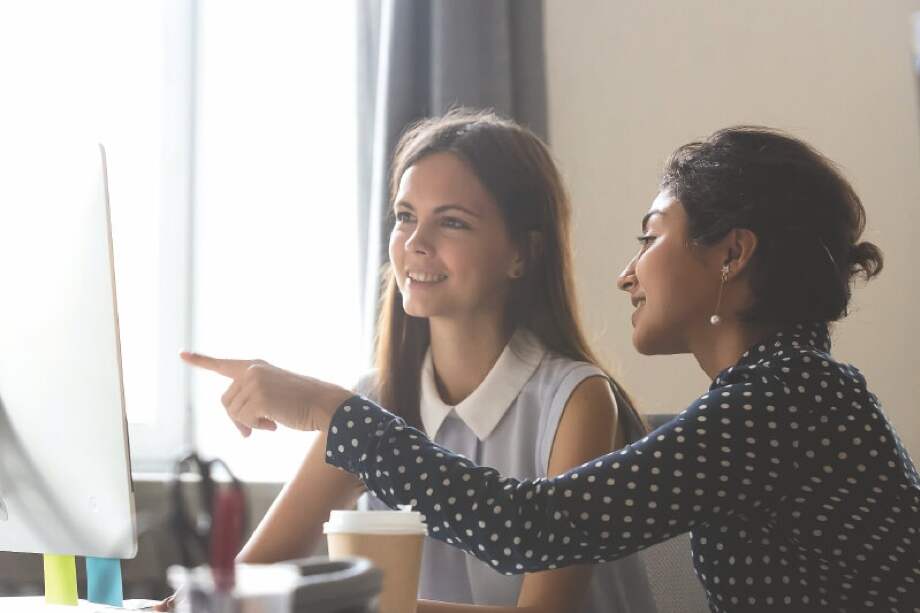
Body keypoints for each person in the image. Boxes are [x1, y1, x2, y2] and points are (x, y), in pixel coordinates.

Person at [194, 126, 920, 612]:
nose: (628, 274)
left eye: (651, 237)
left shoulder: (785, 398)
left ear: (730, 254)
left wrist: (331, 412)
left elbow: (533, 525)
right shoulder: (779, 394)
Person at [174, 111, 655, 613]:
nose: (415, 243)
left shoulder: (577, 400)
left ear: (520, 253)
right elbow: (247, 580)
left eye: (451, 222)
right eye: (405, 216)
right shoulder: (375, 401)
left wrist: (356, 605)